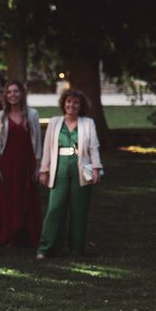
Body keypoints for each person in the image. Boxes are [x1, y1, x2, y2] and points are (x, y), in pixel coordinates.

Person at [36, 89, 103, 259]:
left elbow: (93, 147)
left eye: (75, 102)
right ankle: (47, 248)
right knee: (55, 208)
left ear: (81, 106)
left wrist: (96, 167)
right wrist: (44, 170)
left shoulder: (88, 123)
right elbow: (47, 149)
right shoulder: (55, 122)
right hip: (60, 168)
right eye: (68, 101)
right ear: (63, 103)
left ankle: (76, 249)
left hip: (81, 168)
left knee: (79, 209)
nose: (71, 105)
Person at [0, 80, 43, 248]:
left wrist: (38, 166)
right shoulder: (1, 116)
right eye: (9, 92)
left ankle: (29, 236)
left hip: (27, 160)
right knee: (9, 197)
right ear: (5, 96)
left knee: (27, 196)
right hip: (8, 161)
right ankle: (10, 235)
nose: (12, 95)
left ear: (21, 94)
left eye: (16, 91)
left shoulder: (32, 114)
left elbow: (37, 141)